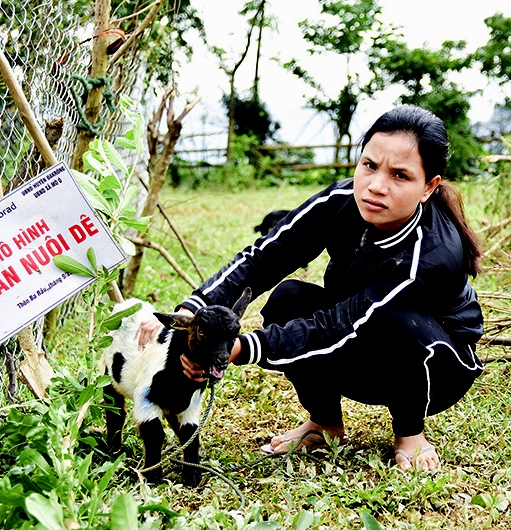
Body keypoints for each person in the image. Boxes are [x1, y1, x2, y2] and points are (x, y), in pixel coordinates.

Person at [136, 105, 484, 471]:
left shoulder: (430, 255)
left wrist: (235, 348)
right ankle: (325, 423)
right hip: (360, 345)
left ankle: (410, 434)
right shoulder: (340, 202)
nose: (377, 186)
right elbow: (264, 257)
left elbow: (339, 325)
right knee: (288, 298)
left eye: (400, 175)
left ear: (429, 186)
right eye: (369, 165)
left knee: (398, 321)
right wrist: (193, 312)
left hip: (436, 365)